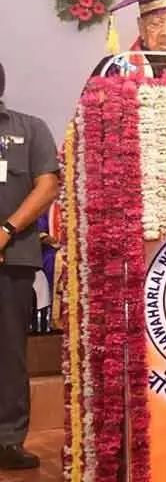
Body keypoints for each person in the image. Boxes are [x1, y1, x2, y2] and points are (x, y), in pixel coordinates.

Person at [0, 62, 60, 470]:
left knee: (8, 354)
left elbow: (48, 184)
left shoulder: (30, 128)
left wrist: (6, 230)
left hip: (12, 258)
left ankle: (7, 439)